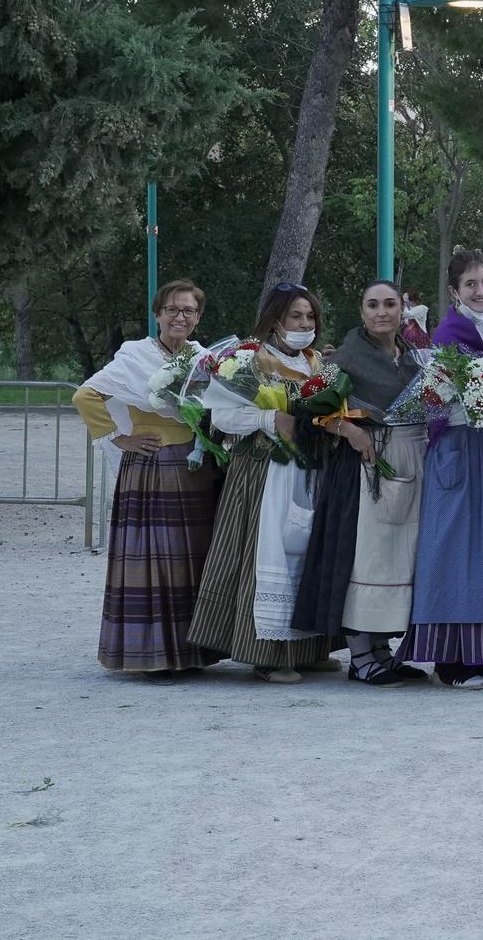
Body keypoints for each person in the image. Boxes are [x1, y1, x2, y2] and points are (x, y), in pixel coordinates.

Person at [188, 283, 339, 682]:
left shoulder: (317, 364)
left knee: (307, 551)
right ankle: (268, 652)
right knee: (270, 552)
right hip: (263, 470)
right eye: (296, 316)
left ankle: (309, 646)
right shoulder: (249, 360)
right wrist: (269, 419)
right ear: (275, 320)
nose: (305, 323)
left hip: (309, 468)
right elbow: (220, 415)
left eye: (310, 317)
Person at [72, 279, 223, 675]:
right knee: (155, 560)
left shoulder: (204, 357)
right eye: (172, 309)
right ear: (158, 315)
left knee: (191, 559)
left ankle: (191, 653)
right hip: (153, 465)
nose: (180, 317)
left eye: (189, 310)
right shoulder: (135, 355)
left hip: (194, 466)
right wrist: (120, 437)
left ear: (198, 318)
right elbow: (85, 395)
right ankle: (152, 656)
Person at [398, 249, 483, 690]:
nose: (481, 291)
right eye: (471, 284)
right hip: (458, 448)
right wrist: (469, 401)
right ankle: (449, 660)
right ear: (454, 292)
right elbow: (432, 401)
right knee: (454, 549)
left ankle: (479, 651)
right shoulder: (448, 334)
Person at [291, 280, 429, 686]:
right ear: (362, 311)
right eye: (373, 305)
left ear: (402, 310)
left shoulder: (410, 357)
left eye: (389, 304)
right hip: (361, 469)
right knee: (362, 558)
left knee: (394, 559)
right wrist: (348, 431)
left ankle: (382, 650)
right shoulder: (344, 359)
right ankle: (360, 655)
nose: (382, 312)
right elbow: (306, 411)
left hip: (406, 461)